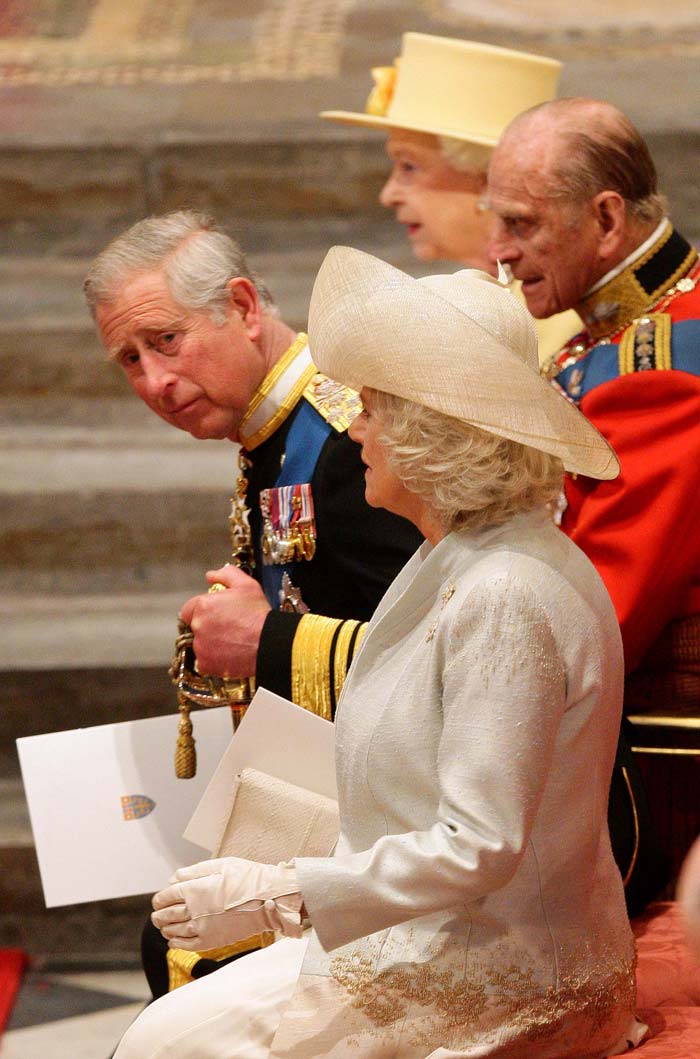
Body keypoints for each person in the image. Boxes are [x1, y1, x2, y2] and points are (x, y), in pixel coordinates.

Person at [112, 248, 647, 1059]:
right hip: (434, 934)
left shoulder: (503, 591)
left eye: (374, 408)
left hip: (510, 977)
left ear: (431, 434)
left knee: (176, 1048)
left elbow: (479, 843)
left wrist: (280, 892)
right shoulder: (452, 553)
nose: (355, 427)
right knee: (163, 1032)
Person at [84, 211, 422, 995]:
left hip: (414, 811)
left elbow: (446, 651)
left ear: (242, 305)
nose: (154, 383)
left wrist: (265, 639)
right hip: (344, 771)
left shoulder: (346, 439)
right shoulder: (270, 430)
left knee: (185, 945)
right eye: (128, 359)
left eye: (165, 341)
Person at [487, 97, 699, 899]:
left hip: (666, 766)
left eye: (521, 224)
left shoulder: (664, 364)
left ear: (605, 218)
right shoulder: (613, 338)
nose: (497, 252)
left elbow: (598, 617)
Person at [321, 30, 581, 359]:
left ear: (492, 181)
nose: (388, 195)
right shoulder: (477, 306)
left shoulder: (555, 325)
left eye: (409, 167)